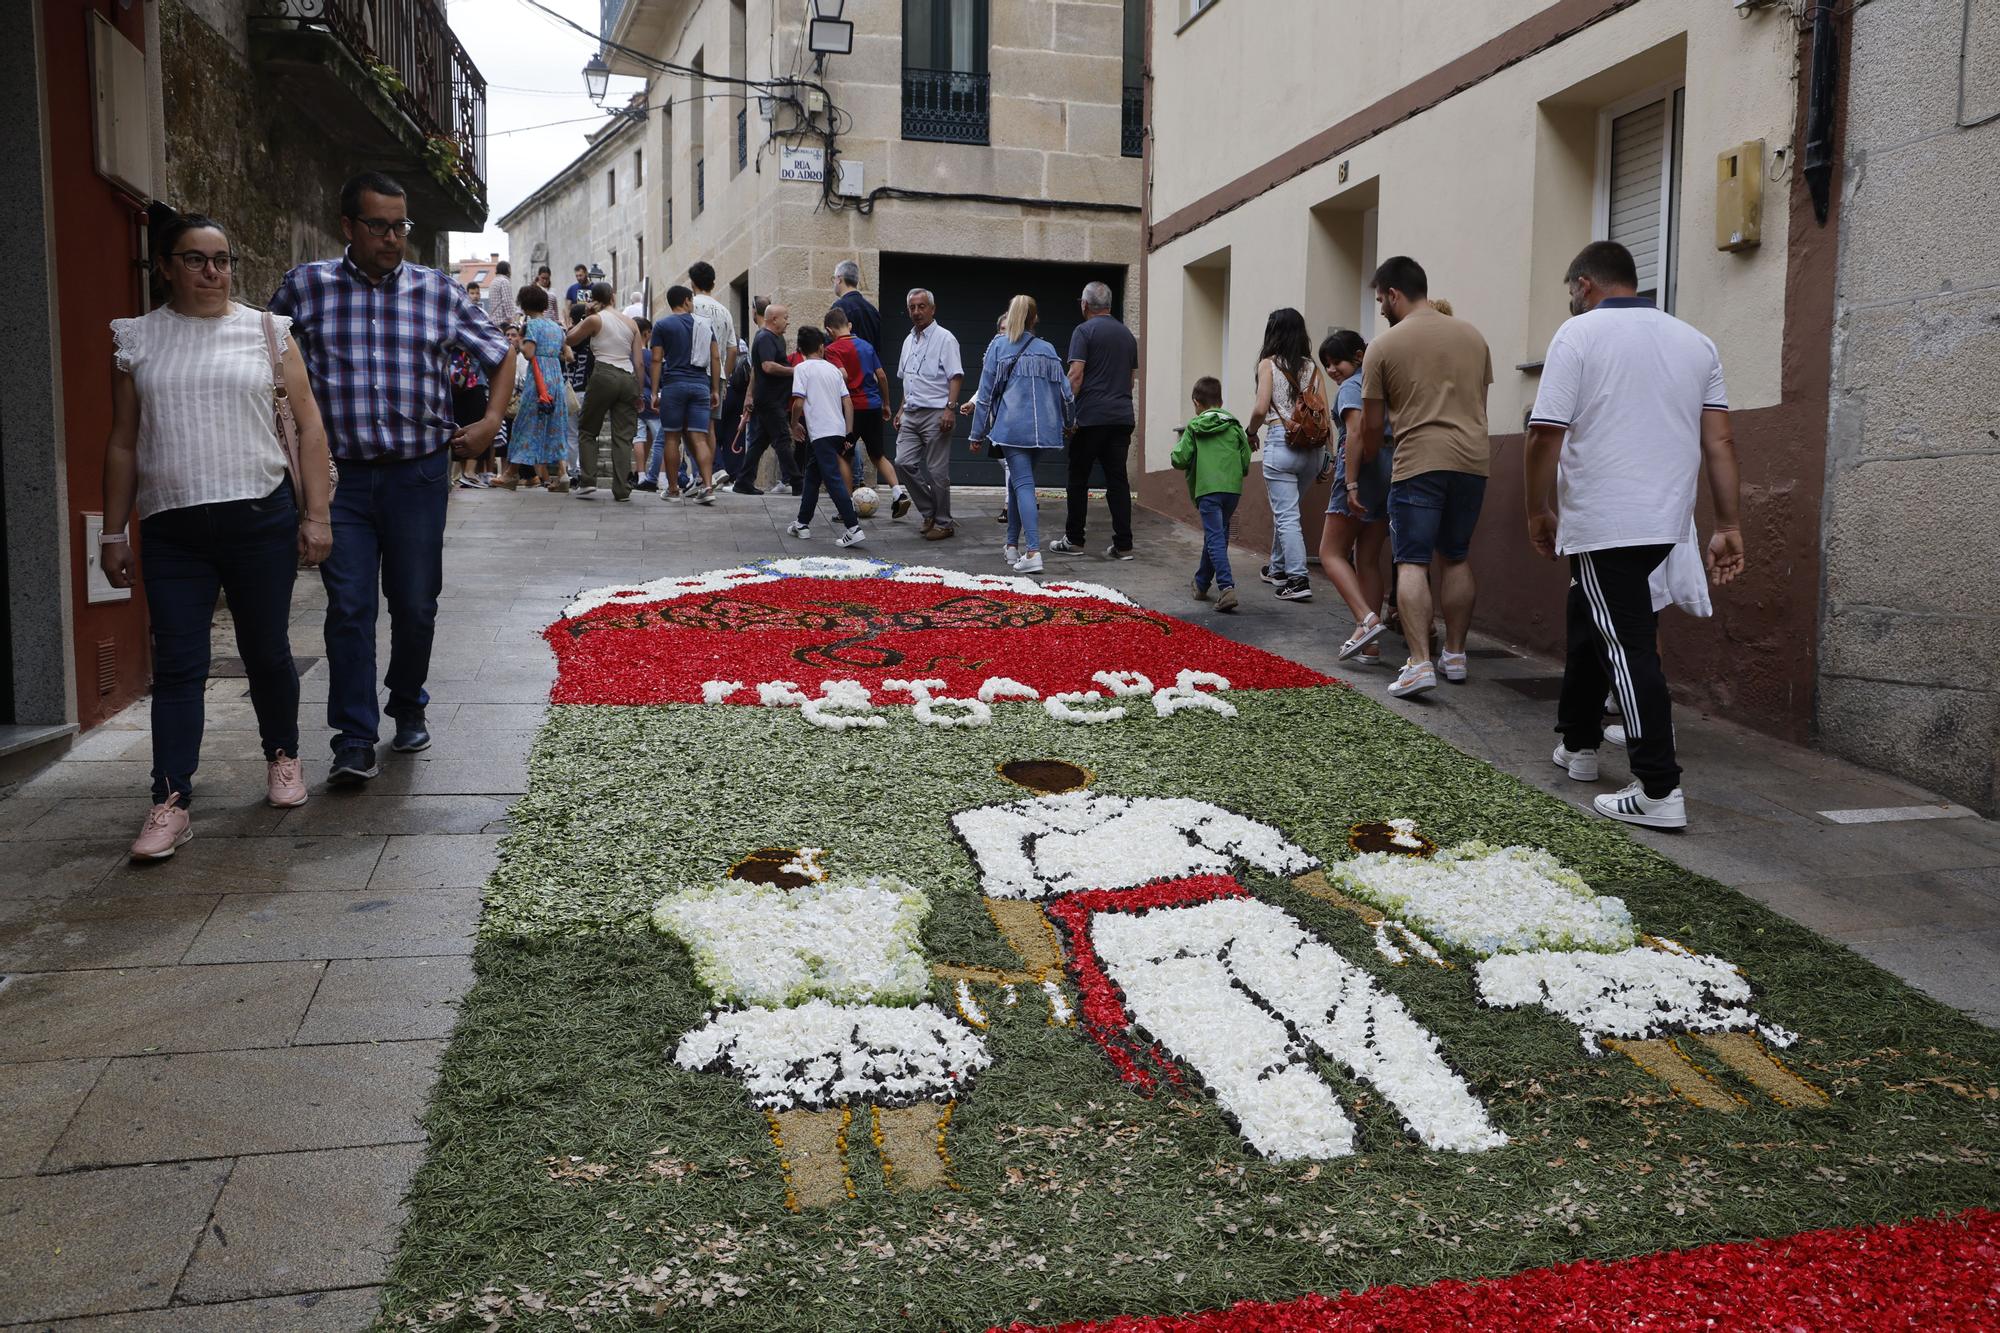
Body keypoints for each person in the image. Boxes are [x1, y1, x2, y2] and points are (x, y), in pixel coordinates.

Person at [101, 207, 334, 856]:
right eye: (198, 259)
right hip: (172, 527)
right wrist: (112, 532)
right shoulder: (137, 339)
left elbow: (309, 425)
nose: (214, 271)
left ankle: (283, 756)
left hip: (259, 517)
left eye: (223, 259)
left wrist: (316, 514)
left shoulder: (266, 332)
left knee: (265, 650)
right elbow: (123, 443)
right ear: (167, 267)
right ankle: (171, 800)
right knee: (178, 664)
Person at [268, 171, 514, 783]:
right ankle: (353, 737)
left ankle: (407, 702)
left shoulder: (436, 291)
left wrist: (488, 421)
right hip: (339, 479)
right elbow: (265, 362)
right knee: (349, 606)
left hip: (418, 476)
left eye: (399, 226)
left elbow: (501, 354)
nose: (392, 237)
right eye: (377, 225)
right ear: (347, 227)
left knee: (415, 604)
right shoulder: (306, 288)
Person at [1525, 240, 1744, 831]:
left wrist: (1536, 511)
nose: (1571, 300)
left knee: (1627, 645)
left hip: (1606, 519)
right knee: (1592, 618)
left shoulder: (1579, 335)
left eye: (1572, 289)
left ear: (1587, 284)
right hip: (1665, 521)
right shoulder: (1696, 342)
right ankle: (1578, 744)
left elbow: (1545, 435)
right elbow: (1719, 442)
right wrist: (1727, 524)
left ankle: (1658, 787)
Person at [1356, 256, 1494, 699]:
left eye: (1381, 299)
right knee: (1455, 555)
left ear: (1394, 294)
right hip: (1473, 461)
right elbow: (1479, 403)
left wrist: (1372, 457)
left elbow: (1372, 425)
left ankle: (1419, 662)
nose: (1380, 309)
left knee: (1412, 560)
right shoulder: (1474, 337)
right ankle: (1455, 654)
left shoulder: (1384, 346)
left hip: (1419, 462)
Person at [968, 295, 1074, 574]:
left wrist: (976, 434)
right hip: (1044, 432)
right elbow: (1066, 394)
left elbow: (986, 395)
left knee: (1024, 484)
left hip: (1012, 429)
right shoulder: (1048, 349)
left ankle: (1033, 551)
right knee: (1018, 483)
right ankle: (1012, 545)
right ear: (1034, 318)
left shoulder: (999, 346)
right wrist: (1068, 422)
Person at [1318, 329, 1394, 663]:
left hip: (1360, 476)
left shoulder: (1353, 387)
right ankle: (1370, 643)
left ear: (1359, 356)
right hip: (1386, 475)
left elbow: (1355, 433)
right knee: (1368, 560)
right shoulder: (1382, 386)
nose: (1332, 370)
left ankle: (1367, 619)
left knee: (1330, 553)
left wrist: (1349, 484)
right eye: (1328, 364)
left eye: (1338, 361)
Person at [1243, 308, 1329, 603]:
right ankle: (1278, 569)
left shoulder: (1268, 364)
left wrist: (1251, 432)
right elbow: (1324, 415)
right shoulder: (1312, 367)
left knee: (1287, 515)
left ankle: (1297, 577)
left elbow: (1259, 408)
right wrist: (1328, 456)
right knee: (1289, 512)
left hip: (1282, 442)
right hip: (1313, 449)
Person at [1051, 280, 1138, 560]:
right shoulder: (1127, 336)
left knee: (1078, 479)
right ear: (1109, 305)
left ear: (1085, 304)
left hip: (1090, 418)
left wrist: (1065, 415)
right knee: (1118, 481)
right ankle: (1123, 545)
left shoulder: (1083, 331)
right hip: (1122, 417)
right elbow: (1130, 381)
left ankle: (1074, 540)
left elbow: (1075, 376)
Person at [1170, 376, 1251, 613]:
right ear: (1221, 400)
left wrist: (1176, 452)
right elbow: (1245, 459)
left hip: (1208, 489)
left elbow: (1180, 459)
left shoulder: (1195, 427)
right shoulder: (1235, 426)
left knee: (1215, 537)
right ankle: (1201, 584)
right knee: (1217, 536)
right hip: (1232, 490)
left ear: (1197, 402)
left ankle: (1227, 588)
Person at [893, 288, 965, 541]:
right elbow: (909, 380)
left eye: (922, 306)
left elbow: (955, 376)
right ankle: (929, 511)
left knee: (936, 472)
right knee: (902, 463)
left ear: (932, 309)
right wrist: (901, 409)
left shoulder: (945, 338)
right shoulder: (908, 340)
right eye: (912, 307)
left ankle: (944, 523)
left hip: (937, 413)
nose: (916, 312)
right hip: (911, 413)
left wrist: (950, 408)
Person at [785, 326, 866, 548]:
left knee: (832, 479)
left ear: (800, 349)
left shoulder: (801, 369)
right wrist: (849, 432)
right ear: (822, 347)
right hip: (837, 430)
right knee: (812, 476)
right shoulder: (834, 370)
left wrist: (793, 425)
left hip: (819, 432)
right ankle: (802, 523)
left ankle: (853, 527)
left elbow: (798, 402)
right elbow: (847, 403)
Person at [823, 306, 907, 513]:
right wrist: (886, 403)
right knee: (878, 454)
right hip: (872, 406)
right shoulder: (867, 346)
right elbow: (882, 376)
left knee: (844, 455)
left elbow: (841, 375)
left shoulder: (832, 350)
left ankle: (847, 506)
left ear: (829, 331)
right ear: (849, 325)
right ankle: (898, 493)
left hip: (851, 409)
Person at [564, 282, 641, 500]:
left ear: (594, 299)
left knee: (588, 429)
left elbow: (570, 339)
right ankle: (622, 489)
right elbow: (638, 361)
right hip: (627, 377)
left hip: (604, 373)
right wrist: (641, 392)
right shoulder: (631, 323)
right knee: (623, 436)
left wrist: (584, 316)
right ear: (613, 298)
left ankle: (588, 481)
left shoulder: (595, 319)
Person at [647, 283, 721, 504]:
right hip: (700, 385)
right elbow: (715, 358)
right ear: (687, 301)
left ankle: (672, 490)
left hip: (674, 385)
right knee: (699, 438)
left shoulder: (662, 325)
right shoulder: (704, 324)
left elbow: (657, 359)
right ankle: (707, 487)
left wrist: (654, 392)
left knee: (672, 437)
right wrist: (715, 389)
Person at [496, 283, 570, 492]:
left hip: (538, 381)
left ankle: (510, 474)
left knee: (524, 423)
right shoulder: (556, 327)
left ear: (525, 305)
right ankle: (563, 475)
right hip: (556, 378)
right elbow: (568, 355)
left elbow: (528, 353)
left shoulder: (533, 326)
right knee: (555, 425)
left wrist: (519, 339)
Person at [742, 302, 802, 495]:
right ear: (773, 319)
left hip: (775, 399)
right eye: (785, 317)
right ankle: (797, 482)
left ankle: (743, 481)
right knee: (783, 439)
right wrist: (795, 370)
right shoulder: (765, 338)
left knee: (759, 442)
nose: (788, 322)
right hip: (770, 401)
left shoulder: (777, 338)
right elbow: (767, 366)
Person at [832, 259, 882, 352]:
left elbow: (833, 345)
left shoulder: (839, 308)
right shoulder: (873, 310)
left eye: (834, 278)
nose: (834, 282)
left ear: (839, 279)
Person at [486, 259, 517, 332]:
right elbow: (507, 301)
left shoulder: (493, 282)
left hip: (494, 321)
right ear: (507, 270)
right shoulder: (504, 282)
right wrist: (512, 320)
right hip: (503, 322)